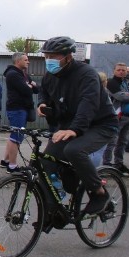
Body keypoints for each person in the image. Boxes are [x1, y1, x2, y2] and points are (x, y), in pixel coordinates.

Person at [37, 36, 117, 216]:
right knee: (45, 163)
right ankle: (53, 209)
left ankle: (98, 193)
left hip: (100, 125)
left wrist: (74, 129)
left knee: (73, 150)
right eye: (46, 56)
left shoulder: (86, 74)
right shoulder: (51, 76)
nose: (49, 60)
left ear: (68, 56)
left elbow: (88, 104)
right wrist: (42, 104)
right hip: (69, 124)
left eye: (54, 56)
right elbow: (44, 92)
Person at [102, 62, 129, 176]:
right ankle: (106, 164)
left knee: (123, 142)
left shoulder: (127, 83)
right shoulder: (111, 83)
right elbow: (121, 97)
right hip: (117, 117)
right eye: (119, 70)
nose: (122, 72)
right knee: (112, 141)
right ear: (114, 71)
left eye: (124, 70)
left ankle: (119, 164)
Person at [1, 52, 39, 172]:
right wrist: (29, 86)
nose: (28, 62)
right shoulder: (13, 74)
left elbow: (36, 89)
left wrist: (30, 86)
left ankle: (6, 160)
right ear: (18, 61)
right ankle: (12, 166)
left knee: (16, 135)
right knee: (16, 136)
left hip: (23, 108)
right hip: (17, 109)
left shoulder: (24, 74)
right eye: (26, 60)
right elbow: (26, 91)